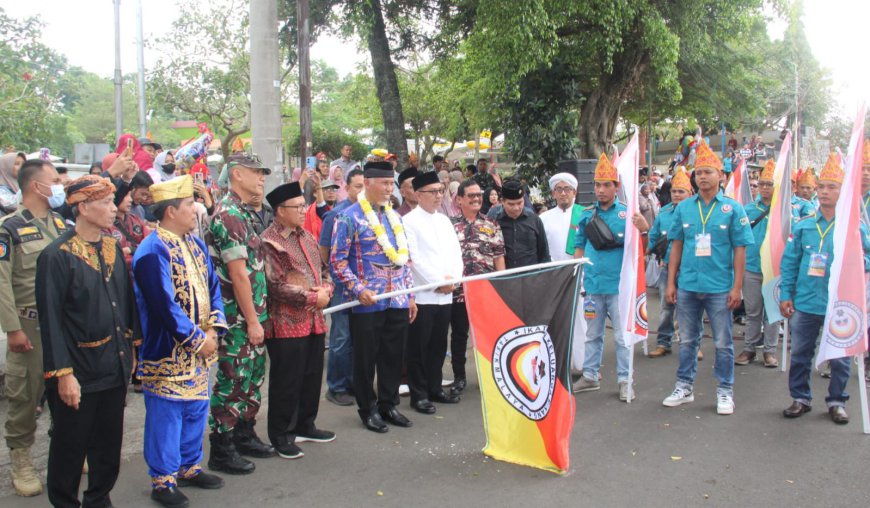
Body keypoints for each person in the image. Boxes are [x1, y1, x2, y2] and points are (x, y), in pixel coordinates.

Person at [36, 175, 138, 508]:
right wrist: (63, 374)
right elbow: (51, 321)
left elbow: (125, 302)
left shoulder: (112, 246)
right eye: (105, 203)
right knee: (69, 446)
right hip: (77, 371)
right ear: (82, 207)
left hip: (113, 364)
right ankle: (65, 502)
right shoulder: (57, 256)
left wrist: (131, 348)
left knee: (108, 446)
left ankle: (99, 498)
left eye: (113, 202)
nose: (114, 208)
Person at [132, 175, 227, 507]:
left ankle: (189, 466)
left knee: (195, 409)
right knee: (167, 414)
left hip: (201, 349)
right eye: (189, 205)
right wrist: (197, 339)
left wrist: (215, 327)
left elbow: (213, 287)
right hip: (167, 350)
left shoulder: (194, 243)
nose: (195, 209)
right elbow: (162, 305)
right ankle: (162, 479)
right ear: (171, 211)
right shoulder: (151, 250)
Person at [662, 141, 754, 415]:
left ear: (720, 176)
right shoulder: (684, 208)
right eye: (699, 172)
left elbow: (740, 250)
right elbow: (676, 245)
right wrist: (670, 282)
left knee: (723, 342)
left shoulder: (733, 209)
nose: (702, 177)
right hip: (689, 285)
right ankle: (684, 386)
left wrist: (737, 287)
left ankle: (725, 391)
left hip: (719, 287)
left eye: (708, 172)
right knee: (688, 340)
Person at [780, 153, 870, 424]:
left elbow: (867, 259)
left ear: (843, 192)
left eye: (832, 187)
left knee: (841, 358)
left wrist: (855, 258)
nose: (825, 192)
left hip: (839, 304)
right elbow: (790, 263)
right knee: (800, 354)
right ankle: (800, 398)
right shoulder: (804, 225)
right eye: (822, 187)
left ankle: (836, 401)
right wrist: (786, 294)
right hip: (806, 301)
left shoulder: (853, 227)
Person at [330, 161, 417, 433]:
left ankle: (389, 405)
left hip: (397, 299)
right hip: (368, 302)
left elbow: (405, 260)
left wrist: (410, 295)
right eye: (384, 183)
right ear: (367, 183)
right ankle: (367, 408)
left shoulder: (396, 218)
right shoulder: (348, 217)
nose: (389, 189)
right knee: (366, 359)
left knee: (393, 355)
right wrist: (358, 289)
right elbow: (337, 261)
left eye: (392, 184)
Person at [206, 154, 276, 475]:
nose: (261, 179)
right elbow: (238, 275)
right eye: (256, 173)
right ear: (237, 175)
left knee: (252, 375)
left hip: (252, 312)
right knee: (233, 378)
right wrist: (250, 319)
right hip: (237, 316)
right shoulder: (228, 215)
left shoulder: (242, 212)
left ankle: (245, 433)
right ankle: (222, 446)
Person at [0, 159, 67, 497]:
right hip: (29, 324)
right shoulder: (8, 229)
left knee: (66, 388)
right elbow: (1, 283)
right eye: (54, 180)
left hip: (63, 325)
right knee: (25, 395)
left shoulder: (59, 223)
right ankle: (22, 459)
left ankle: (67, 448)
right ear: (34, 186)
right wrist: (13, 329)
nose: (59, 185)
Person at [261, 182, 336, 459]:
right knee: (286, 380)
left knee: (311, 376)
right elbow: (274, 285)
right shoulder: (269, 241)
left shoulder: (307, 237)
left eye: (304, 206)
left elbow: (325, 272)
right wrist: (310, 298)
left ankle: (306, 424)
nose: (303, 211)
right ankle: (281, 434)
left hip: (315, 319)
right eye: (297, 207)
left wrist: (326, 290)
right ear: (280, 211)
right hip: (286, 323)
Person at [572, 154, 649, 401]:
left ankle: (626, 380)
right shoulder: (585, 214)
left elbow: (640, 250)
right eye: (597, 185)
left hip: (619, 287)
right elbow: (579, 247)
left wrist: (644, 228)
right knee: (593, 334)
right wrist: (576, 276)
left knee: (622, 336)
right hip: (593, 285)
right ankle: (590, 375)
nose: (601, 190)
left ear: (616, 187)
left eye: (607, 185)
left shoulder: (628, 215)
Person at [403, 171, 464, 414]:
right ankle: (418, 394)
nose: (439, 196)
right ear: (418, 195)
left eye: (440, 191)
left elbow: (456, 254)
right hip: (424, 294)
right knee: (419, 346)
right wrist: (437, 282)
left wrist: (454, 281)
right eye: (433, 192)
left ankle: (435, 387)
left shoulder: (444, 220)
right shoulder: (408, 221)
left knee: (439, 345)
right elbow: (414, 259)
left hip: (446, 293)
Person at [450, 180, 506, 394]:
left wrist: (502, 286)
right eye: (470, 195)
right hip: (459, 292)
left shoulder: (492, 224)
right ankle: (459, 377)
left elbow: (499, 257)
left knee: (489, 335)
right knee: (459, 335)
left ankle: (492, 377)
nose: (475, 199)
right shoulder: (450, 225)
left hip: (486, 292)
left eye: (478, 195)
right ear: (459, 200)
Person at [320, 169, 365, 406]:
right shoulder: (336, 215)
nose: (361, 191)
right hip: (342, 285)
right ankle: (336, 386)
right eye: (357, 186)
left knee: (360, 336)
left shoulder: (370, 214)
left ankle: (354, 383)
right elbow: (325, 252)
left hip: (365, 285)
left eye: (364, 186)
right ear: (347, 187)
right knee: (341, 336)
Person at [539, 173, 588, 373]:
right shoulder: (543, 218)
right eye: (559, 189)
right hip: (553, 277)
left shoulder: (584, 215)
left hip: (579, 277)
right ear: (553, 193)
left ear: (575, 192)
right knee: (555, 323)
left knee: (580, 322)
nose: (563, 193)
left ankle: (585, 365)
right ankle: (557, 365)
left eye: (567, 189)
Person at [737, 159, 780, 368]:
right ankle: (749, 349)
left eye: (769, 184)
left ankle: (770, 352)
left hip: (774, 269)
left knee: (772, 312)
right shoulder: (747, 209)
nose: (764, 188)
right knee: (752, 312)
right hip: (752, 267)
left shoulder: (784, 210)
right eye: (762, 184)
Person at [647, 169, 692, 358]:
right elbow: (654, 236)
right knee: (666, 306)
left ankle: (691, 345)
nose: (676, 195)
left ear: (690, 194)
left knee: (689, 308)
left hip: (690, 267)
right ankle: (663, 342)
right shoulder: (664, 213)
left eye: (681, 192)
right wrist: (644, 253)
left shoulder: (695, 212)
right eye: (674, 191)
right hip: (667, 267)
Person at [495, 181, 550, 268]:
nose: (516, 208)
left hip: (531, 277)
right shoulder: (495, 222)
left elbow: (544, 253)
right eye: (511, 204)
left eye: (520, 203)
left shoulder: (535, 220)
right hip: (506, 278)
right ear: (502, 201)